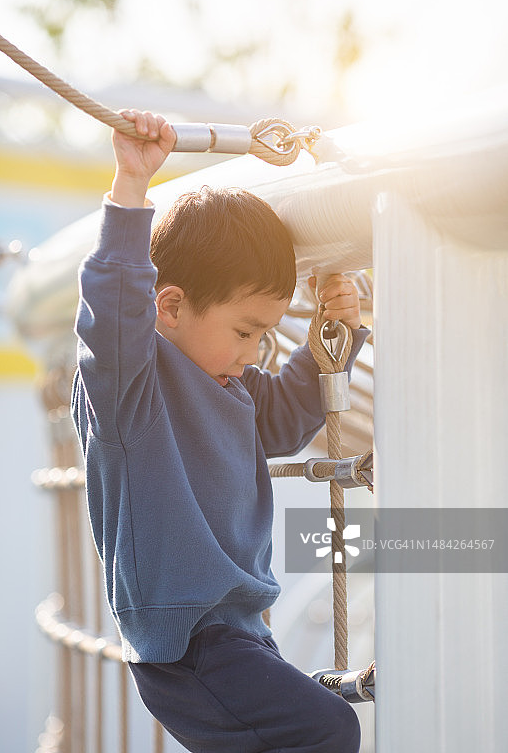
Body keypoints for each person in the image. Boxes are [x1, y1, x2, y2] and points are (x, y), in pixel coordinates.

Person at [72, 109, 370, 752]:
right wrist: (131, 187)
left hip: (237, 635)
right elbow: (114, 307)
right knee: (326, 729)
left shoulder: (231, 387)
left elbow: (291, 416)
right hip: (187, 646)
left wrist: (335, 332)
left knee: (314, 728)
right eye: (244, 332)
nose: (252, 352)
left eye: (264, 334)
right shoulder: (131, 386)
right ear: (171, 306)